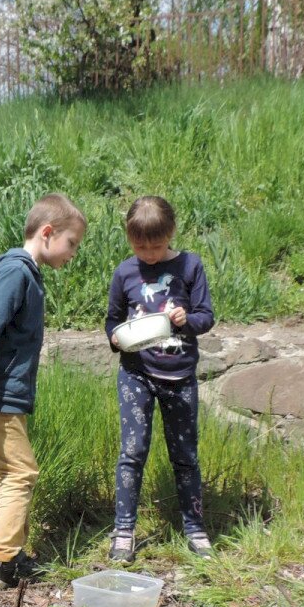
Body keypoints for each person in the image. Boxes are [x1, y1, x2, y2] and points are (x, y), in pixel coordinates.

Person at [0, 194, 86, 589]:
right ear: (47, 233)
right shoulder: (16, 273)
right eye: (71, 243)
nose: (73, 254)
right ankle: (0, 562)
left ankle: (12, 555)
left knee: (9, 472)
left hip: (7, 395)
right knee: (20, 472)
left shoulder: (25, 274)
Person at [103, 195, 214, 564]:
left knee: (185, 455)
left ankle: (195, 528)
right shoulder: (125, 273)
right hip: (136, 374)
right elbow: (112, 320)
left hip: (180, 376)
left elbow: (206, 317)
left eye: (156, 246)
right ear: (129, 239)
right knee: (132, 452)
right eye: (140, 247)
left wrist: (186, 320)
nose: (149, 255)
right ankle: (124, 530)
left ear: (171, 234)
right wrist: (114, 338)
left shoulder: (190, 266)